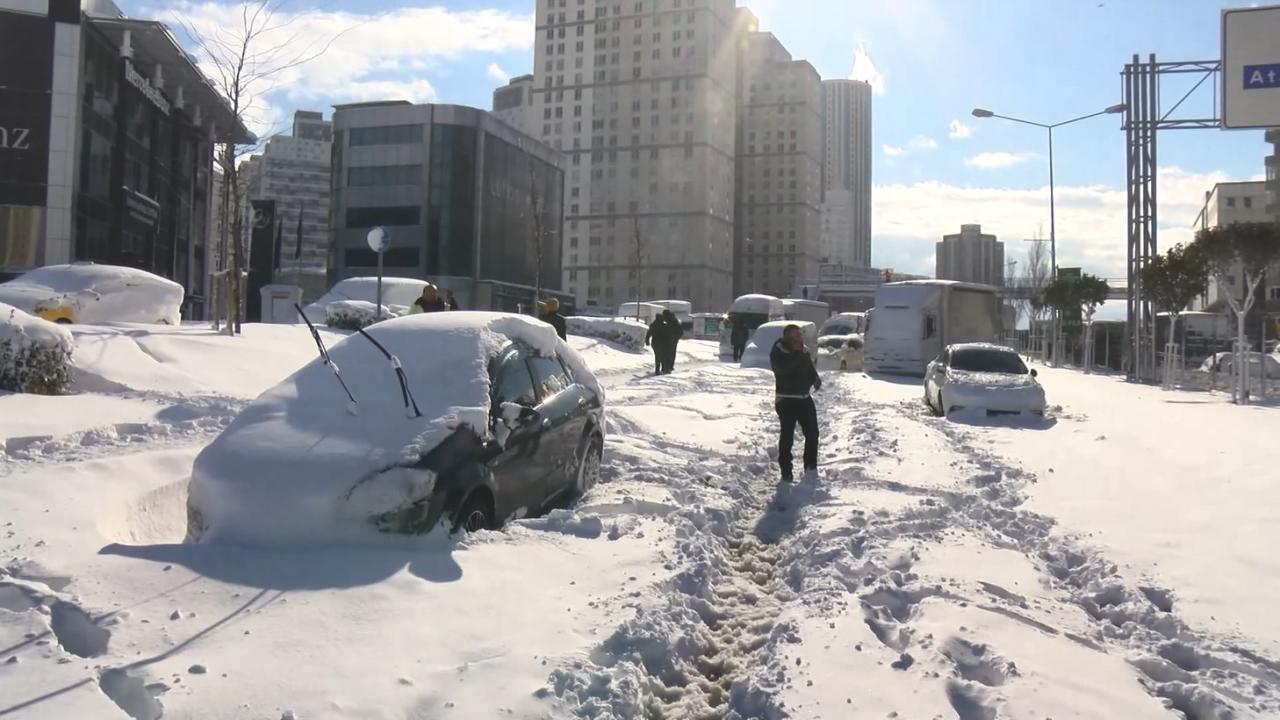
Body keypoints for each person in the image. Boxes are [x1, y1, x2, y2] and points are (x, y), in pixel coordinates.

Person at [770, 324, 821, 483]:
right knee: (787, 436)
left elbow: (809, 367)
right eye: (794, 336)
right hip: (786, 399)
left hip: (804, 398)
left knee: (813, 433)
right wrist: (797, 354)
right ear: (787, 337)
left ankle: (810, 467)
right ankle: (786, 471)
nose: (798, 338)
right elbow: (781, 370)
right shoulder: (779, 351)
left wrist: (815, 378)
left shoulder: (803, 350)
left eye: (799, 335)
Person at [660, 309, 684, 374]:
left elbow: (680, 331)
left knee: (666, 354)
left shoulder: (671, 321)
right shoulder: (673, 320)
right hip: (670, 341)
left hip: (670, 341)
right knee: (671, 354)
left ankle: (667, 367)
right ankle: (668, 367)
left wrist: (675, 338)